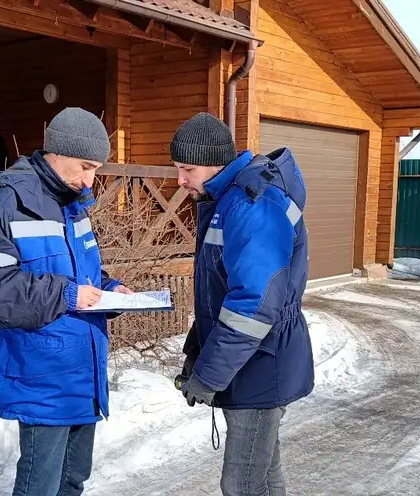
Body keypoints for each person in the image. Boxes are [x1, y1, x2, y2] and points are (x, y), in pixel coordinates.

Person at [0, 107, 133, 496]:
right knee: (41, 486)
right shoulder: (8, 201)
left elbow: (81, 273)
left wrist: (110, 290)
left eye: (96, 170)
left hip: (82, 370)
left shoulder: (74, 202)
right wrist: (68, 294)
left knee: (73, 481)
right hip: (41, 374)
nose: (91, 180)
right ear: (57, 153)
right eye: (85, 167)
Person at [173, 113, 314, 496]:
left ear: (215, 161)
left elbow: (254, 305)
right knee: (264, 475)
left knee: (243, 484)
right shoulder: (228, 198)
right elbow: (221, 289)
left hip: (262, 361)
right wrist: (197, 350)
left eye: (187, 169)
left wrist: (209, 377)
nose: (180, 180)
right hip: (251, 359)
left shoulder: (252, 205)